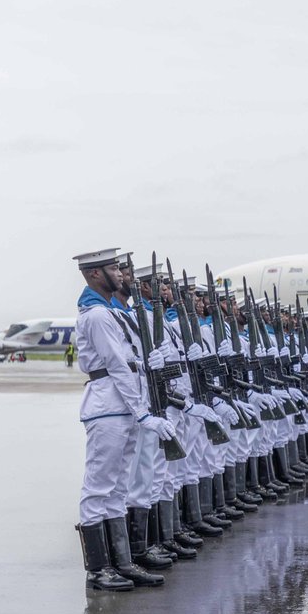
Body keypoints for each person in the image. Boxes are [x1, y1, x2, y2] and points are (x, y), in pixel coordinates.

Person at [72, 247, 175, 591]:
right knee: (98, 487)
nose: (121, 274)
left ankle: (122, 562)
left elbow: (130, 360)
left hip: (123, 406)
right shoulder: (97, 315)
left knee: (118, 488)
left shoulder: (110, 313)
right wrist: (143, 413)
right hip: (109, 406)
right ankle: (98, 569)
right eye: (114, 268)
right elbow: (118, 365)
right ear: (94, 274)